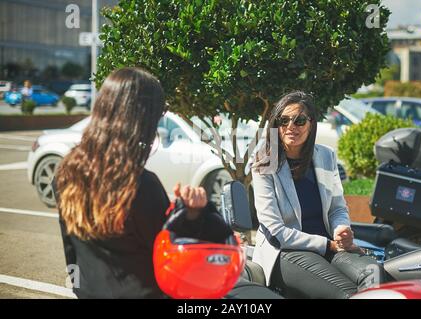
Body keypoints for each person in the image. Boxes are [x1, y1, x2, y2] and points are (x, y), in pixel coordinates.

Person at [53, 67, 281, 299]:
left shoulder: (67, 172)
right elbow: (169, 251)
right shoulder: (139, 184)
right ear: (141, 118)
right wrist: (194, 213)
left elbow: (70, 252)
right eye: (160, 112)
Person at [251, 91, 385, 299]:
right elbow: (276, 231)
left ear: (311, 124)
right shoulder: (264, 163)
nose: (291, 127)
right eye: (284, 120)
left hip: (330, 246)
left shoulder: (325, 156)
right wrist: (328, 245)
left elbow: (337, 208)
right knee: (348, 293)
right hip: (286, 252)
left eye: (299, 120)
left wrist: (341, 228)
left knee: (376, 278)